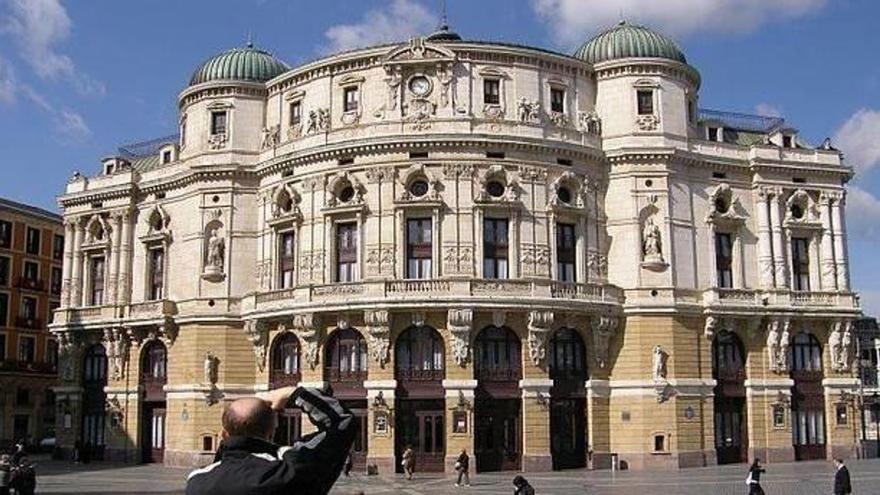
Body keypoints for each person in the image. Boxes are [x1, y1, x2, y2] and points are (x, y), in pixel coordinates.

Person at [186, 386, 356, 495]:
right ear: (271, 432)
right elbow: (342, 422)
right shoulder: (292, 471)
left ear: (224, 435)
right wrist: (293, 393)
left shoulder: (197, 482)